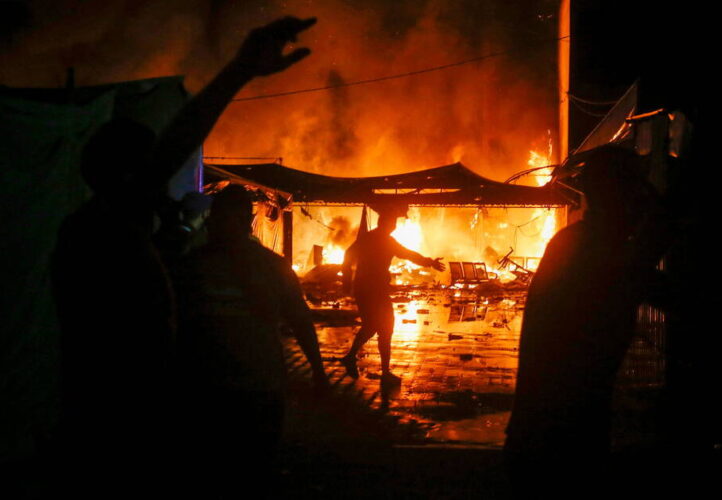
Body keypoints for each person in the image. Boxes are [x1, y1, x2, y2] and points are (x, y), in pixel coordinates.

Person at [50, 16, 317, 497]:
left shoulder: (100, 235)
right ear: (125, 178)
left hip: (120, 415)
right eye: (150, 172)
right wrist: (237, 72)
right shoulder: (105, 229)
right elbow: (173, 149)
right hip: (120, 427)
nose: (165, 183)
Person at [504, 146, 681, 489]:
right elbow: (661, 284)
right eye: (637, 187)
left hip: (548, 438)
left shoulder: (576, 243)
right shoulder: (594, 252)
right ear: (618, 195)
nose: (643, 197)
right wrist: (666, 216)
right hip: (557, 450)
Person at [172, 185, 327, 497]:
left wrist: (319, 372)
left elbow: (299, 319)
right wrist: (319, 372)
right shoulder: (192, 265)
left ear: (242, 222)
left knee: (243, 470)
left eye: (224, 217)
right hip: (220, 387)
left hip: (245, 387)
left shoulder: (265, 266)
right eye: (217, 217)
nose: (218, 224)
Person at [340, 203, 445, 386]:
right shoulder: (385, 240)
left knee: (372, 326)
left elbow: (348, 255)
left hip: (364, 288)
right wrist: (429, 263)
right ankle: (385, 372)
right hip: (375, 289)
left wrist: (347, 280)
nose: (395, 226)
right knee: (385, 327)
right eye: (393, 222)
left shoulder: (367, 238)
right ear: (387, 224)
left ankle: (351, 357)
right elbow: (408, 254)